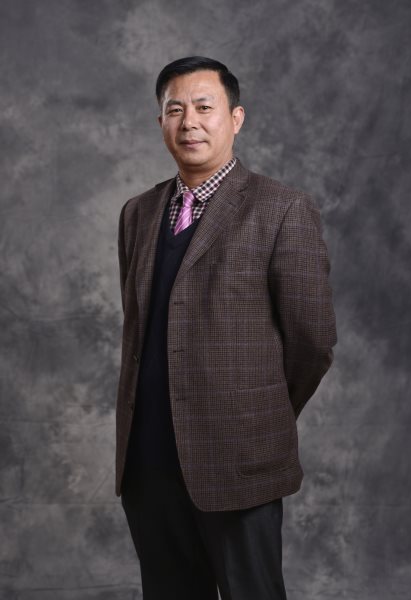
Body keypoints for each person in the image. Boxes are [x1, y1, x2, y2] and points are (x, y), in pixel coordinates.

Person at [116, 56, 337, 600]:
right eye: (175, 110)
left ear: (236, 118)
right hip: (148, 461)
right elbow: (139, 331)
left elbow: (311, 343)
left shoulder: (281, 209)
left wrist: (258, 411)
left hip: (239, 459)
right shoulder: (138, 213)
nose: (189, 121)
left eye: (203, 107)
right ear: (161, 122)